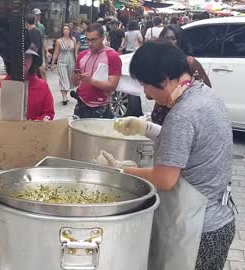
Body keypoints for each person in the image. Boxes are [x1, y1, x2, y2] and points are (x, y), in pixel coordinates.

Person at [114, 42, 235, 270]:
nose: (145, 93)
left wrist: (121, 171)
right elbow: (190, 144)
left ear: (164, 78)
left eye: (145, 85)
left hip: (198, 230)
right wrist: (146, 128)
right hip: (221, 223)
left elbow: (165, 179)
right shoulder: (206, 95)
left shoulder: (182, 115)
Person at [151, 25, 212, 125]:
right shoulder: (158, 62)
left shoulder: (190, 62)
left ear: (180, 40)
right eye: (166, 39)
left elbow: (207, 89)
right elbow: (150, 94)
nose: (169, 42)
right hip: (161, 115)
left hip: (183, 116)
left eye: (173, 39)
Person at [0, 43, 54, 121]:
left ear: (33, 60)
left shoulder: (42, 86)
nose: (23, 60)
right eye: (19, 56)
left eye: (27, 56)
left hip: (35, 131)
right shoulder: (2, 85)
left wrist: (35, 123)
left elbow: (49, 113)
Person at [72, 23, 122, 118]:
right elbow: (75, 83)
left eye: (94, 40)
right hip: (81, 103)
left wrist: (91, 81)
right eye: (88, 40)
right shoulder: (82, 55)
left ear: (102, 38)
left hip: (100, 106)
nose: (90, 43)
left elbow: (113, 85)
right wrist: (75, 77)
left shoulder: (112, 56)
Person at [52, 24, 77, 106]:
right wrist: (53, 63)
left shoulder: (73, 40)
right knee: (64, 78)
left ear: (70, 30)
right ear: (62, 31)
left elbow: (75, 53)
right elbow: (56, 52)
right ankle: (64, 97)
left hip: (71, 61)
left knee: (69, 79)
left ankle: (65, 95)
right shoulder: (59, 41)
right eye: (64, 29)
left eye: (67, 29)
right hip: (62, 61)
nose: (66, 30)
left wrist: (77, 63)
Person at [32, 8, 48, 80]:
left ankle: (45, 88)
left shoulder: (41, 27)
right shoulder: (28, 25)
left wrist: (46, 51)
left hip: (40, 51)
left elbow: (43, 40)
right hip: (31, 50)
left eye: (39, 15)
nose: (38, 17)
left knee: (42, 70)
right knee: (33, 71)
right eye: (36, 15)